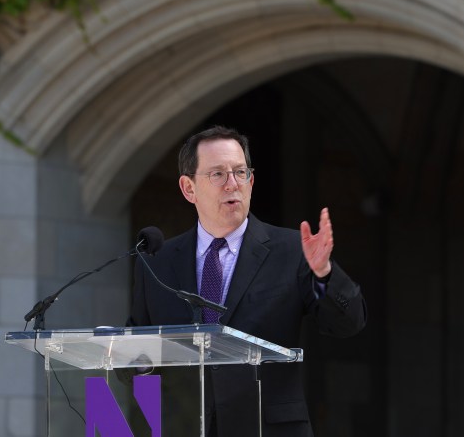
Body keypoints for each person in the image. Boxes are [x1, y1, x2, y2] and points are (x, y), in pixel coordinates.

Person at [127, 125, 367, 436]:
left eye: (241, 173)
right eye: (217, 175)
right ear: (189, 188)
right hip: (183, 427)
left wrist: (324, 274)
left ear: (251, 182)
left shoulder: (292, 251)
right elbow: (134, 350)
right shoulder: (157, 261)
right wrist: (140, 365)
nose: (233, 184)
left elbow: (350, 323)